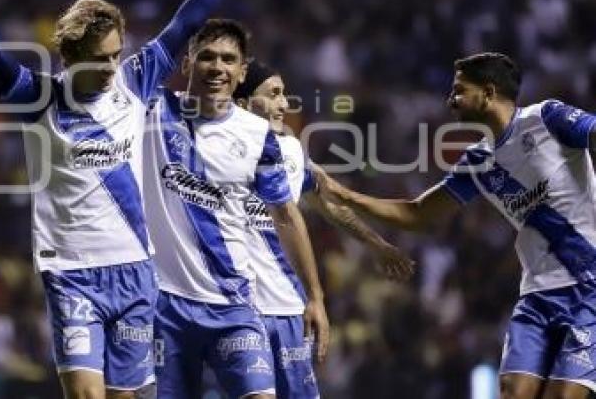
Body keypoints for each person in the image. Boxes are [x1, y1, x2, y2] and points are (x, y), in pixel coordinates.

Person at [0, 0, 264, 398]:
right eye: (100, 59)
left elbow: (187, 22)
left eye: (115, 55)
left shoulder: (134, 83)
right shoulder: (39, 97)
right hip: (70, 270)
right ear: (71, 55)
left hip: (134, 270)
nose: (111, 69)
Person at [322, 52, 596, 399]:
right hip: (537, 293)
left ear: (488, 92)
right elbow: (416, 214)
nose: (450, 100)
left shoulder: (547, 117)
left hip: (587, 285)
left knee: (564, 396)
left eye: (458, 91)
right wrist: (343, 194)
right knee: (513, 391)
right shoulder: (477, 161)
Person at [143, 20, 328, 398]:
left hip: (234, 306)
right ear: (187, 64)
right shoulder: (152, 111)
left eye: (229, 59)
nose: (217, 68)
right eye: (206, 57)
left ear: (242, 71)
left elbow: (287, 216)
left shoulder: (259, 136)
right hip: (165, 305)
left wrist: (315, 297)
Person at [233, 60, 415, 397]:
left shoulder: (289, 151)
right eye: (274, 94)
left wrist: (377, 244)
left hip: (287, 308)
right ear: (243, 104)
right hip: (237, 309)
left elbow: (328, 202)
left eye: (284, 93)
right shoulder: (212, 150)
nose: (285, 104)